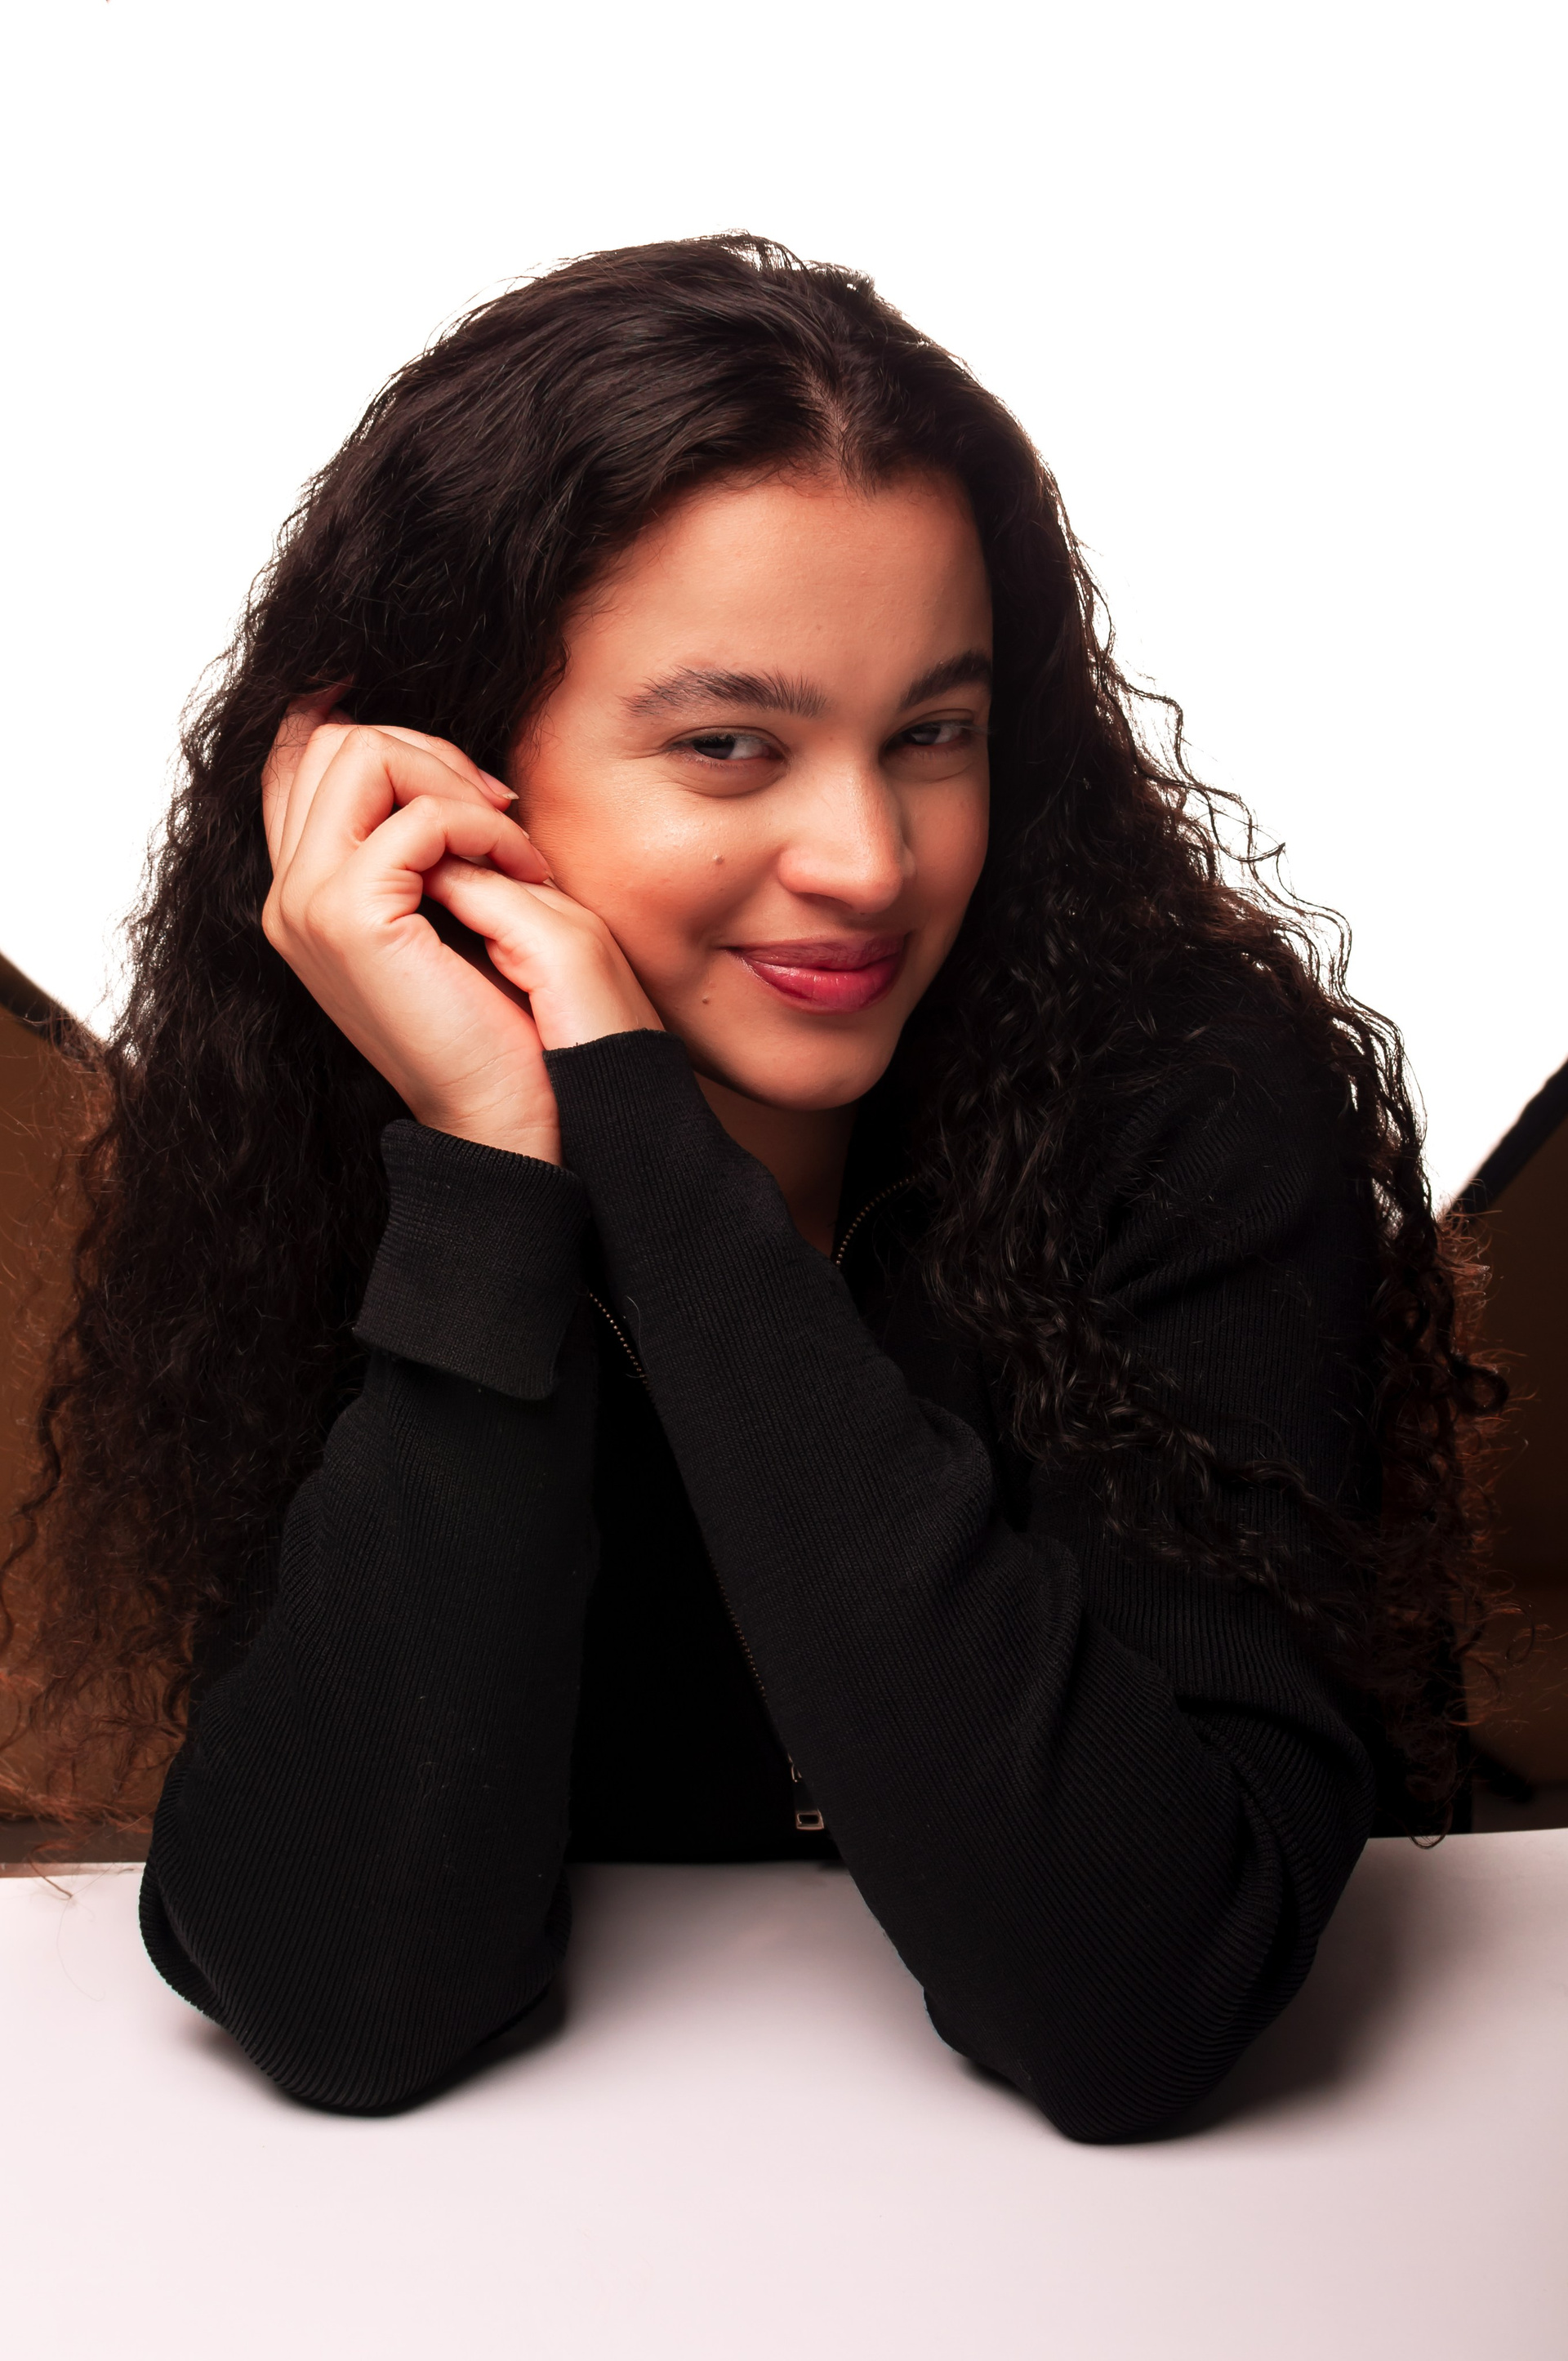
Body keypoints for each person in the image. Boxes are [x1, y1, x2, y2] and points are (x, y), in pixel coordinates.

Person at [2, 235, 1502, 2141]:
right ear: (441, 769)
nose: (868, 859)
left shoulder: (1179, 1097)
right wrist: (491, 1165)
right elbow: (348, 2001)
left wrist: (638, 1138)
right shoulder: (320, 1126)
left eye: (932, 735)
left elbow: (1143, 1996)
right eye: (731, 749)